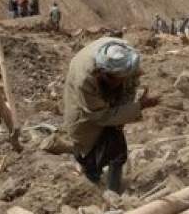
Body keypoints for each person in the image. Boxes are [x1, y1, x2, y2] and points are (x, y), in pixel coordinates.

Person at [63, 38, 159, 194]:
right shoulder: (85, 81)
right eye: (116, 80)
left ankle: (113, 191)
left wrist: (124, 109)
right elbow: (101, 116)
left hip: (106, 104)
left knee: (117, 149)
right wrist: (139, 106)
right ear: (104, 73)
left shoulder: (127, 58)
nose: (119, 83)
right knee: (86, 142)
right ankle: (92, 179)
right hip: (85, 109)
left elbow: (131, 86)